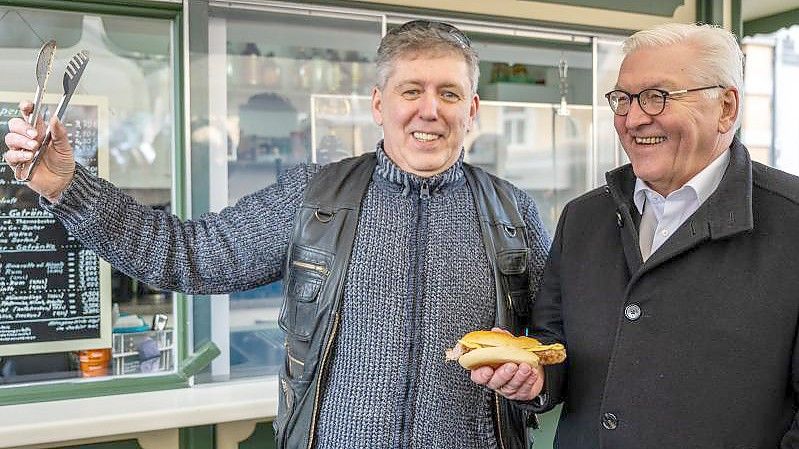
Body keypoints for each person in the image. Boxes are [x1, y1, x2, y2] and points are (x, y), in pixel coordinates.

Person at [4, 20, 551, 449]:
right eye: (412, 90)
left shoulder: (514, 213)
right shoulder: (313, 197)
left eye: (449, 94)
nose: (429, 110)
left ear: (472, 109)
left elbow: (560, 344)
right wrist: (66, 186)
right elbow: (185, 254)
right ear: (379, 104)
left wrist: (539, 385)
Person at [472, 22, 799, 448]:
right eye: (622, 99)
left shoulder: (791, 222)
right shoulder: (583, 217)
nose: (634, 117)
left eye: (657, 96)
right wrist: (533, 377)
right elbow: (552, 343)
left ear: (726, 107)